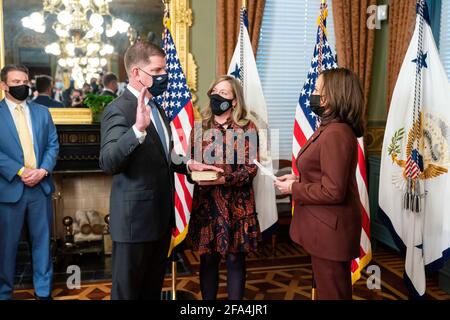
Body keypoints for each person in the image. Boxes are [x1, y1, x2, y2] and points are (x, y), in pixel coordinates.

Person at [99, 41, 221, 300]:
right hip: (135, 225)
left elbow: (164, 154)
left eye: (164, 69)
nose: (163, 76)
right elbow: (108, 161)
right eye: (156, 71)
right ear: (135, 73)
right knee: (128, 294)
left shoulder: (157, 107)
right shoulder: (118, 110)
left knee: (150, 292)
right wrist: (137, 130)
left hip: (159, 221)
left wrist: (187, 164)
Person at [275, 68, 365, 300]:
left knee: (332, 293)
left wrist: (293, 189)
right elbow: (325, 176)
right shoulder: (329, 129)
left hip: (330, 232)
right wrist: (298, 179)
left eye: (317, 90)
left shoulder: (336, 133)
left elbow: (333, 191)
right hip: (325, 229)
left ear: (333, 96)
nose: (312, 94)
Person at [186, 75, 261, 300]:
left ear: (235, 101)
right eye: (215, 91)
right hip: (207, 205)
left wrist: (223, 179)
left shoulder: (247, 127)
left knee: (235, 259)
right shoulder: (199, 127)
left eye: (224, 93)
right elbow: (190, 163)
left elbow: (251, 169)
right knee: (207, 259)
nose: (218, 96)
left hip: (237, 206)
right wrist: (194, 175)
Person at [0, 64, 59, 300]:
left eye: (25, 81)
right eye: (16, 82)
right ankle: (4, 293)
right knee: (6, 248)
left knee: (42, 243)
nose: (22, 86)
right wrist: (20, 171)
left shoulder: (42, 113)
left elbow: (53, 145)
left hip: (40, 187)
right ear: (4, 86)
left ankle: (43, 291)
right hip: (10, 189)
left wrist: (43, 170)